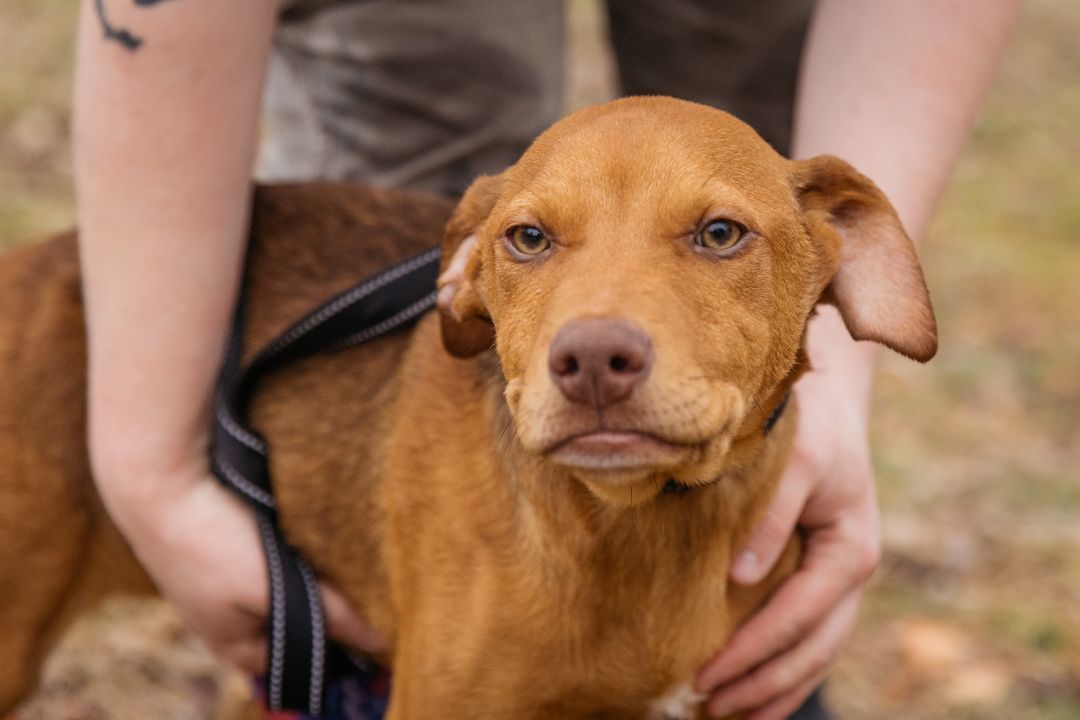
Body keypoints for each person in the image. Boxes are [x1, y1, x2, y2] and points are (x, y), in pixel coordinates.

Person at [73, 1, 1021, 718]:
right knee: (422, 98)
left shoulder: (811, 235)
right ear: (464, 282)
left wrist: (838, 395)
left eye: (719, 233)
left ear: (840, 255)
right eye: (529, 241)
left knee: (738, 101)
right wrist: (145, 470)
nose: (597, 342)